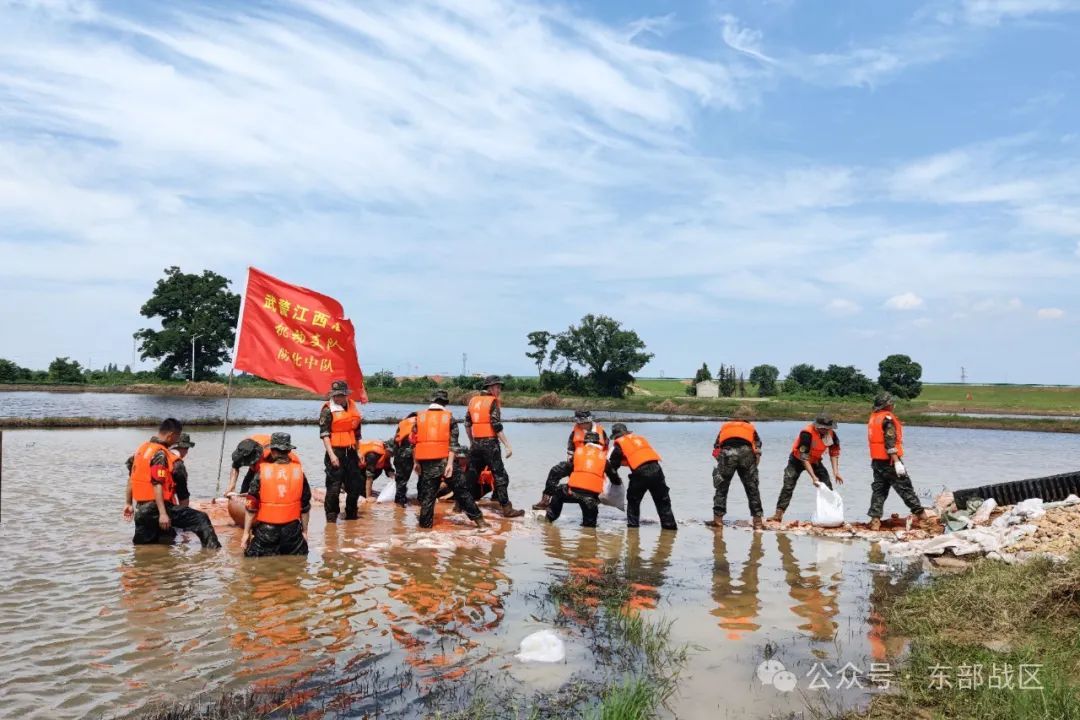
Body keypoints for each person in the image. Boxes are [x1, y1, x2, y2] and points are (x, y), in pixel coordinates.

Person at [124, 418, 221, 549]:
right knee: (201, 519)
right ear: (171, 435)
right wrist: (163, 513)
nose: (176, 441)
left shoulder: (140, 450)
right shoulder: (161, 454)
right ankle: (213, 555)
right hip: (157, 509)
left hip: (141, 511)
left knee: (143, 548)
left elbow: (131, 479)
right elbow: (157, 484)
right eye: (176, 437)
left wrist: (129, 504)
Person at [412, 390, 488, 530]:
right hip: (445, 461)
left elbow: (414, 442)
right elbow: (453, 444)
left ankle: (424, 529)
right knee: (462, 491)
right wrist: (449, 464)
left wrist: (416, 463)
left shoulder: (419, 418)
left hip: (426, 463)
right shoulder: (449, 418)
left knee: (428, 497)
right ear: (444, 403)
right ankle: (480, 522)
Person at [241, 433, 312, 557]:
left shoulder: (262, 472)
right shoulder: (299, 473)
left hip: (266, 533)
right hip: (292, 531)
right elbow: (305, 507)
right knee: (298, 561)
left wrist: (246, 533)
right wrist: (305, 532)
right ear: (289, 450)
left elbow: (251, 506)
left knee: (251, 561)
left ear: (272, 451)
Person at [867, 392, 930, 530]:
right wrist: (897, 462)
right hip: (889, 461)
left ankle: (875, 521)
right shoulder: (887, 419)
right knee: (905, 488)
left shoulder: (874, 418)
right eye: (891, 402)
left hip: (877, 461)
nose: (893, 405)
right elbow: (890, 443)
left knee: (879, 491)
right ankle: (923, 517)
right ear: (888, 405)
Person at [464, 376, 524, 518]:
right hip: (490, 444)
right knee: (500, 475)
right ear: (490, 388)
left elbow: (467, 424)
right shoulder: (492, 402)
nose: (499, 390)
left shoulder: (473, 401)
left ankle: (459, 505)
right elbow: (496, 425)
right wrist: (508, 446)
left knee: (470, 476)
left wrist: (472, 441)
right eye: (497, 387)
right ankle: (506, 509)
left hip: (476, 444)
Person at [769, 415, 844, 523]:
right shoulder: (807, 433)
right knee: (788, 485)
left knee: (827, 485)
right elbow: (803, 457)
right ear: (817, 426)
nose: (825, 430)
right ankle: (778, 514)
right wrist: (813, 477)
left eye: (827, 428)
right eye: (822, 428)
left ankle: (831, 515)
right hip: (797, 460)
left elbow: (834, 453)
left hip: (815, 460)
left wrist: (836, 472)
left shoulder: (831, 435)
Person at [607, 423, 677, 530]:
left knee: (633, 501)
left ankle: (633, 529)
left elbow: (612, 466)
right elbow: (639, 455)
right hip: (657, 470)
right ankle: (670, 528)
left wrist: (615, 481)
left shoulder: (619, 444)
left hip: (640, 474)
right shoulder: (640, 439)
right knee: (663, 501)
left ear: (616, 436)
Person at [534, 410, 608, 510]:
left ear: (589, 421)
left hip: (594, 465)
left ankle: (593, 499)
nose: (582, 425)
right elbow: (570, 451)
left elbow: (605, 452)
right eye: (580, 423)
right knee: (556, 471)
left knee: (590, 492)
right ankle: (546, 500)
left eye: (584, 422)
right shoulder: (575, 432)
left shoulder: (601, 432)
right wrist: (572, 469)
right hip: (577, 463)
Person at [708, 418, 764, 531]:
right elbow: (757, 448)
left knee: (721, 488)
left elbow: (716, 448)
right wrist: (756, 461)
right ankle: (757, 522)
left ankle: (718, 521)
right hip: (746, 453)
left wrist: (721, 463)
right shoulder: (750, 428)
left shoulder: (725, 427)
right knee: (752, 488)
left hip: (727, 453)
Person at [319, 379, 363, 522]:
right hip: (335, 452)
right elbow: (324, 435)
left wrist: (359, 451)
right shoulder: (327, 410)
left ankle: (351, 516)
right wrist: (332, 455)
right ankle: (331, 520)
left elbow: (357, 433)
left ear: (346, 395)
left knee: (354, 487)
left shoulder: (353, 407)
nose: (337, 398)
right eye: (335, 395)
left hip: (350, 451)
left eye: (340, 395)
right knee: (333, 488)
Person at [223, 433, 300, 497]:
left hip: (273, 468)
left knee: (265, 493)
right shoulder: (244, 447)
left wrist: (254, 493)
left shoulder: (272, 454)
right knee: (245, 489)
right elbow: (235, 465)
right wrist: (231, 486)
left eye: (252, 462)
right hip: (257, 468)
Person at [386, 412, 417, 506]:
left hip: (399, 455)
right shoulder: (419, 423)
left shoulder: (402, 424)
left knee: (400, 480)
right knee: (404, 480)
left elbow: (396, 440)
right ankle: (400, 503)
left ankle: (399, 501)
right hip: (411, 454)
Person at [169, 433, 195, 508]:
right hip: (164, 507)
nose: (187, 452)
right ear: (185, 448)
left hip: (145, 502)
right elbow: (183, 495)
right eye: (187, 449)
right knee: (202, 517)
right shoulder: (178, 464)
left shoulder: (161, 455)